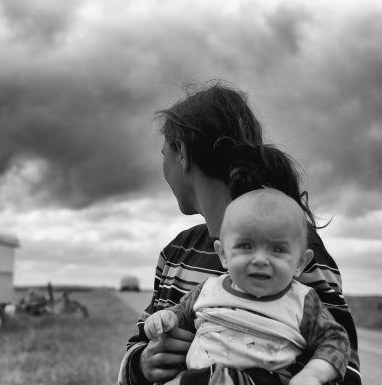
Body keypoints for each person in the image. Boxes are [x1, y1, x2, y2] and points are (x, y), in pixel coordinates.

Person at [117, 81, 361, 385]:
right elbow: (138, 345)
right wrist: (144, 362)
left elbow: (344, 366)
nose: (262, 259)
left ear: (183, 154)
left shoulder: (296, 247)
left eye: (163, 153)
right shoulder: (176, 254)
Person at [144, 188, 351, 385]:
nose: (260, 259)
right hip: (197, 378)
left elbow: (336, 341)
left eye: (278, 249)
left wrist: (312, 374)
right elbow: (180, 313)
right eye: (246, 246)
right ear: (224, 254)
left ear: (299, 263)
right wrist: (164, 318)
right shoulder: (207, 289)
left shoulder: (304, 302)